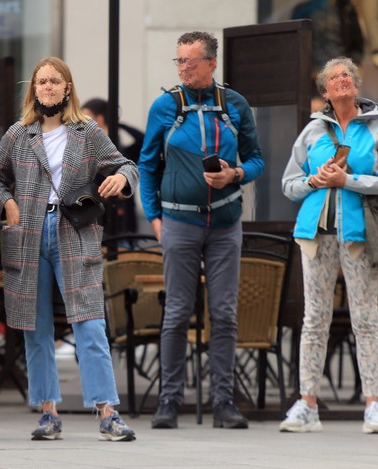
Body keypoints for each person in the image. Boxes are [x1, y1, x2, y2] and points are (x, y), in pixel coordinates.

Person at [0, 56, 138, 442]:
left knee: (89, 321)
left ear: (68, 88)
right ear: (33, 89)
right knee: (34, 326)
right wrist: (8, 203)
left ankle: (107, 411)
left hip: (73, 230)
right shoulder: (18, 134)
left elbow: (128, 165)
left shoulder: (87, 132)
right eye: (42, 81)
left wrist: (119, 177)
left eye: (56, 81)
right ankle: (47, 412)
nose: (49, 87)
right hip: (28, 232)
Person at [138, 31, 265, 430]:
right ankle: (169, 402)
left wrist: (236, 174)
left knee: (224, 315)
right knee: (176, 313)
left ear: (212, 63)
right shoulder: (165, 106)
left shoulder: (235, 105)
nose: (183, 69)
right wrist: (154, 216)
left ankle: (223, 402)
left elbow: (258, 160)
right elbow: (147, 164)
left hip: (226, 225)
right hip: (178, 223)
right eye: (179, 61)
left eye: (191, 62)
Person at [280, 56, 378, 434]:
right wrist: (316, 182)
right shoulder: (312, 131)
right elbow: (289, 185)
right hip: (316, 236)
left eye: (347, 76)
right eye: (334, 77)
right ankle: (307, 404)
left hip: (359, 235)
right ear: (324, 91)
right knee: (314, 321)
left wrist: (349, 180)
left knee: (365, 319)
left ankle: (373, 405)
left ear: (356, 84)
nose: (342, 81)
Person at [81, 97, 143, 236]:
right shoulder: (85, 144)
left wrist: (116, 123)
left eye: (86, 116)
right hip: (95, 216)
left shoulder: (116, 147)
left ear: (100, 119)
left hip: (120, 218)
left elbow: (141, 139)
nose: (81, 121)